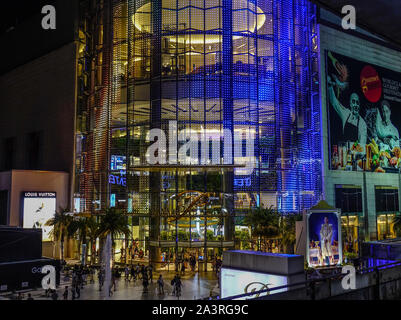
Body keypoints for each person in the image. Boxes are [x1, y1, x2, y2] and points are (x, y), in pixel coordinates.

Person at [327, 75, 367, 153]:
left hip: (355, 157)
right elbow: (334, 103)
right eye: (353, 102)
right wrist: (330, 87)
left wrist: (351, 148)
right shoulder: (346, 113)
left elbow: (362, 147)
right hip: (343, 154)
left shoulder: (362, 124)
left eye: (357, 103)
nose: (355, 105)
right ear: (350, 104)